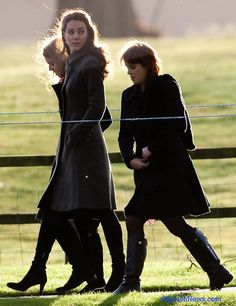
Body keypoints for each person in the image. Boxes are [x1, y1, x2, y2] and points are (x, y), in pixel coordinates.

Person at [7, 28, 124, 295]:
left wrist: (78, 136)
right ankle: (85, 273)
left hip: (80, 152)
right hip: (70, 152)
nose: (49, 67)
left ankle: (89, 271)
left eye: (51, 61)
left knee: (80, 214)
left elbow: (101, 115)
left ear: (62, 55)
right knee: (63, 213)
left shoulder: (83, 71)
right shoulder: (68, 77)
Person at [113, 41, 233, 294]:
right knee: (172, 222)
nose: (130, 72)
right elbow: (124, 135)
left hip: (169, 167)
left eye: (133, 67)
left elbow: (178, 123)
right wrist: (130, 158)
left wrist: (151, 148)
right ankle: (216, 270)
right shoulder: (128, 96)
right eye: (128, 68)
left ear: (147, 65)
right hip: (146, 172)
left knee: (135, 217)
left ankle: (130, 283)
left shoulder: (166, 85)